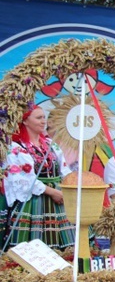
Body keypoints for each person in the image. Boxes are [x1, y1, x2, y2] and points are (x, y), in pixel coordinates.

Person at [3, 104, 75, 248]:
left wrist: (69, 188)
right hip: (35, 199)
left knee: (67, 242)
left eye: (44, 117)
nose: (44, 121)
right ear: (25, 121)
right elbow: (23, 179)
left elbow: (64, 168)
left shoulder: (50, 144)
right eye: (38, 118)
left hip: (59, 196)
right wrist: (53, 192)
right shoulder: (16, 147)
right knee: (32, 244)